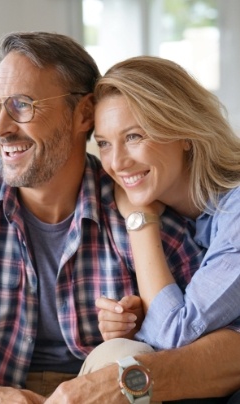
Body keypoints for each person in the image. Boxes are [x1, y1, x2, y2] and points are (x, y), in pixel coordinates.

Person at [0, 32, 206, 403]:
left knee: (126, 355)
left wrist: (143, 331)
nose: (0, 127)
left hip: (99, 393)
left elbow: (211, 338)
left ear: (84, 114)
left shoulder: (140, 211)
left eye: (22, 105)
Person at [85, 55, 240, 402]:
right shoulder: (179, 215)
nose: (117, 162)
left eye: (135, 136)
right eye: (105, 143)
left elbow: (175, 335)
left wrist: (140, 220)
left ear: (184, 131)